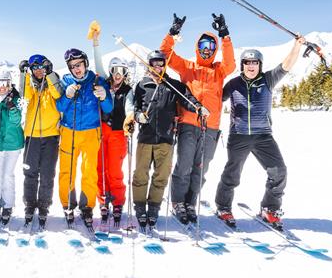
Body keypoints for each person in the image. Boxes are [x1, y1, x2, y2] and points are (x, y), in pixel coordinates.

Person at [214, 36, 307, 230]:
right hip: (239, 135)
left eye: (254, 62)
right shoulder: (233, 84)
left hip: (263, 136)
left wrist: (296, 46)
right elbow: (214, 99)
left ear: (259, 65)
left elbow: (287, 65)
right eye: (247, 62)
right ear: (242, 65)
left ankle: (269, 208)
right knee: (233, 173)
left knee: (279, 171)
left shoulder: (268, 79)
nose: (251, 66)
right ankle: (223, 207)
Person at [159, 12, 236, 224]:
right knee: (184, 166)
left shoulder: (220, 70)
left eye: (211, 47)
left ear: (215, 50)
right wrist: (173, 32)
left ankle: (190, 203)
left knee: (200, 169)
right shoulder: (187, 67)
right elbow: (164, 54)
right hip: (188, 125)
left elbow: (231, 64)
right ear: (197, 47)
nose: (206, 49)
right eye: (203, 45)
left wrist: (225, 35)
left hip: (210, 128)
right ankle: (178, 202)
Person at [124, 50, 204, 231]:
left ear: (165, 65)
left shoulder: (173, 85)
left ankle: (153, 207)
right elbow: (134, 107)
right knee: (140, 175)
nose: (158, 67)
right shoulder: (142, 86)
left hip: (166, 139)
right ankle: (139, 206)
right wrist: (137, 116)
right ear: (149, 65)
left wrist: (197, 107)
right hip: (145, 137)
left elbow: (187, 99)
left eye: (161, 63)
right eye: (154, 63)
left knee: (161, 177)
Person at [55, 47, 113, 231]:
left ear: (85, 63)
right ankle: (67, 204)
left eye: (78, 64)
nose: (76, 69)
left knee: (89, 171)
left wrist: (104, 97)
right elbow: (59, 106)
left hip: (91, 132)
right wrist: (67, 95)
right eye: (72, 66)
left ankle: (87, 207)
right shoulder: (66, 81)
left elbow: (109, 108)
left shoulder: (97, 80)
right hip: (69, 131)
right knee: (67, 171)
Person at [90, 25, 133, 227]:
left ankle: (117, 201)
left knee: (115, 170)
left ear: (125, 73)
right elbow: (98, 62)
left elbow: (130, 107)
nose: (117, 74)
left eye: (121, 71)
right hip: (102, 131)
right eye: (115, 70)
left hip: (117, 133)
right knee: (100, 168)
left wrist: (131, 119)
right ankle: (102, 200)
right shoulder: (105, 83)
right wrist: (96, 43)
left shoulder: (128, 90)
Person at [18, 54, 63, 229]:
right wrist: (23, 74)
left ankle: (44, 206)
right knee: (30, 173)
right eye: (34, 68)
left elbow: (58, 94)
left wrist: (50, 74)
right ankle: (30, 204)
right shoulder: (30, 84)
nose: (37, 71)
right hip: (32, 136)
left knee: (47, 174)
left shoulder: (53, 81)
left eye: (40, 68)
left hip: (51, 136)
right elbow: (23, 97)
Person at [0, 70, 24, 225]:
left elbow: (16, 121)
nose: (2, 87)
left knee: (7, 175)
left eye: (5, 83)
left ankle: (7, 206)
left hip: (13, 143)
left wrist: (12, 108)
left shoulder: (16, 99)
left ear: (9, 84)